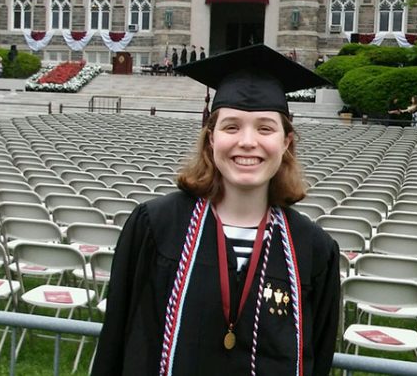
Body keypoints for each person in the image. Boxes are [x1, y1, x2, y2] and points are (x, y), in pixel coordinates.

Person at [93, 45, 341, 376]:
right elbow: (115, 343)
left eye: (265, 128)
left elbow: (319, 359)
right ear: (211, 138)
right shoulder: (155, 227)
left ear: (286, 142)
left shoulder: (314, 250)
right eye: (231, 126)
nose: (248, 141)